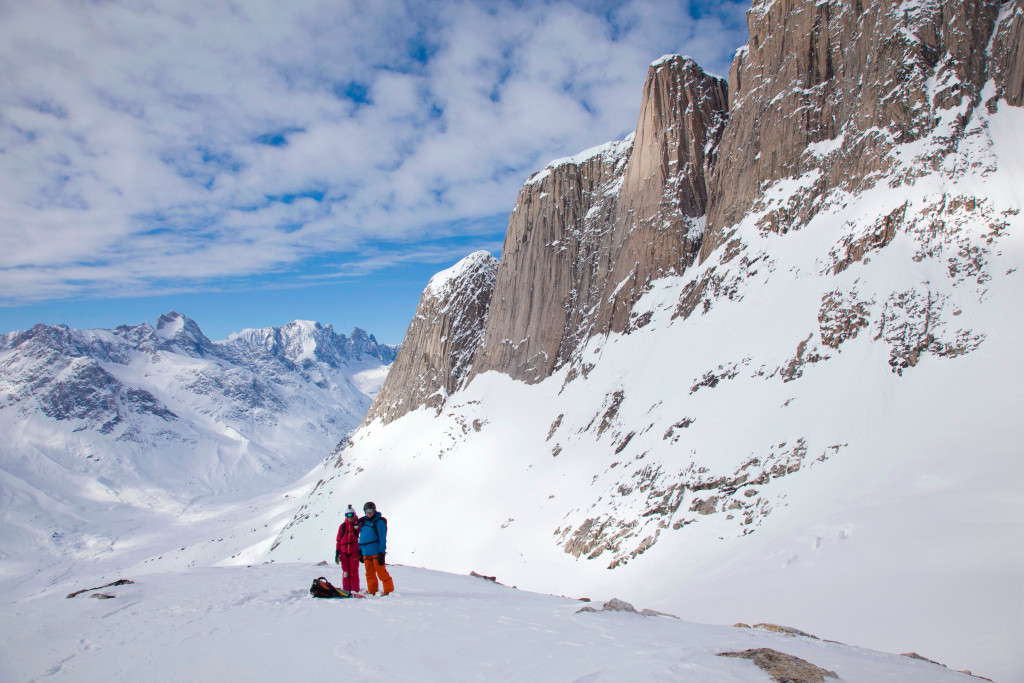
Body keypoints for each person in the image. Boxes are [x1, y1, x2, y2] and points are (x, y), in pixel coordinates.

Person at [359, 501, 394, 596]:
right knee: (369, 574)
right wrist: (360, 551)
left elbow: (382, 538)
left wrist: (381, 553)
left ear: (374, 510)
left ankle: (389, 591)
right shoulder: (363, 522)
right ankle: (372, 591)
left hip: (376, 553)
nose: (369, 512)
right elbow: (362, 537)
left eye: (370, 510)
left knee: (381, 573)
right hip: (366, 553)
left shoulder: (379, 522)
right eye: (367, 510)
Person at [334, 505, 362, 593]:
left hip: (354, 552)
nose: (350, 517)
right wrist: (337, 552)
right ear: (345, 516)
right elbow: (338, 540)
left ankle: (355, 590)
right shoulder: (342, 527)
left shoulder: (357, 525)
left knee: (354, 572)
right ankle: (346, 590)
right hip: (343, 552)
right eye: (348, 515)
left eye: (352, 515)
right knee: (345, 572)